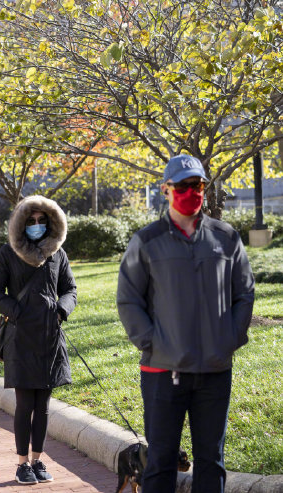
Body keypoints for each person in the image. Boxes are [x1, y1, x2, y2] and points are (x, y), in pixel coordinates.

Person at [117, 155, 255, 493]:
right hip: (163, 373)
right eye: (182, 186)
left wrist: (230, 338)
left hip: (214, 369)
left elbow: (245, 293)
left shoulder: (226, 238)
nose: (191, 192)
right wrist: (153, 343)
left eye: (197, 185)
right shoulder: (146, 241)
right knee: (161, 459)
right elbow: (128, 300)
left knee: (212, 460)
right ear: (166, 190)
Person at [0, 195, 77, 485]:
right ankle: (22, 464)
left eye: (42, 221)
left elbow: (70, 289)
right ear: (20, 224)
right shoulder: (8, 252)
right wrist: (16, 312)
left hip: (50, 337)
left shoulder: (58, 254)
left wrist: (61, 310)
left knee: (45, 405)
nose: (36, 225)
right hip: (21, 338)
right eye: (30, 221)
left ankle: (38, 460)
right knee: (25, 404)